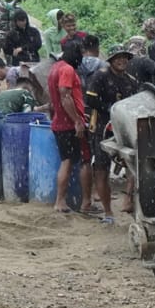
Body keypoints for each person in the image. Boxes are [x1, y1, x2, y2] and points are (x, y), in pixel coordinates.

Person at [82, 44, 141, 223]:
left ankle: (129, 201)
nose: (121, 60)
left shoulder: (131, 81)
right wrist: (110, 109)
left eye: (124, 57)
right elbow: (90, 99)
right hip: (101, 127)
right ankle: (108, 212)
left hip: (125, 129)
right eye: (117, 58)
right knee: (101, 169)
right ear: (111, 61)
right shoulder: (100, 76)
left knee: (134, 166)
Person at [48, 37, 88, 215]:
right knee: (74, 161)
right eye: (81, 53)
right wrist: (77, 121)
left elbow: (54, 98)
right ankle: (63, 201)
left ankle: (62, 200)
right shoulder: (67, 69)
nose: (83, 57)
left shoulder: (55, 67)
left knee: (67, 161)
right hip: (68, 124)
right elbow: (65, 95)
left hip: (60, 121)